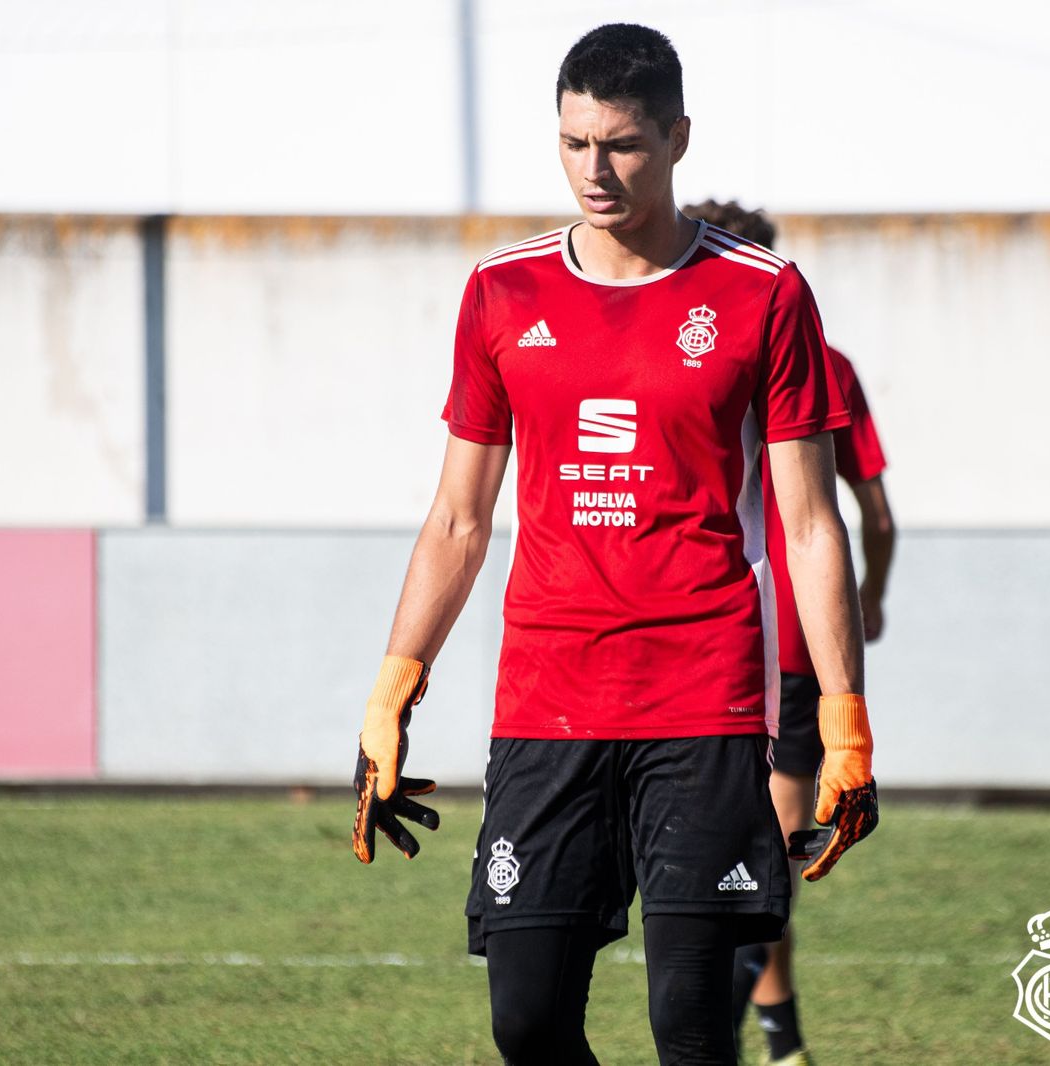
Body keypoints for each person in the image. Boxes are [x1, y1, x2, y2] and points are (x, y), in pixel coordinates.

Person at [350, 25, 879, 1066]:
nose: (596, 170)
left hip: (704, 698)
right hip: (546, 700)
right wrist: (391, 688)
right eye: (575, 142)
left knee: (692, 1026)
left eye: (623, 144)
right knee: (527, 1020)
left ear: (678, 137)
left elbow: (812, 525)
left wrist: (844, 716)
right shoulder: (502, 293)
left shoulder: (763, 293)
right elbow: (459, 517)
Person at [683, 202, 896, 1066]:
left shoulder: (682, 348)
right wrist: (870, 597)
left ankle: (742, 1044)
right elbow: (875, 514)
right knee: (760, 866)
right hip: (793, 644)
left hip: (709, 635)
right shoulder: (827, 363)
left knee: (743, 872)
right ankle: (775, 1044)